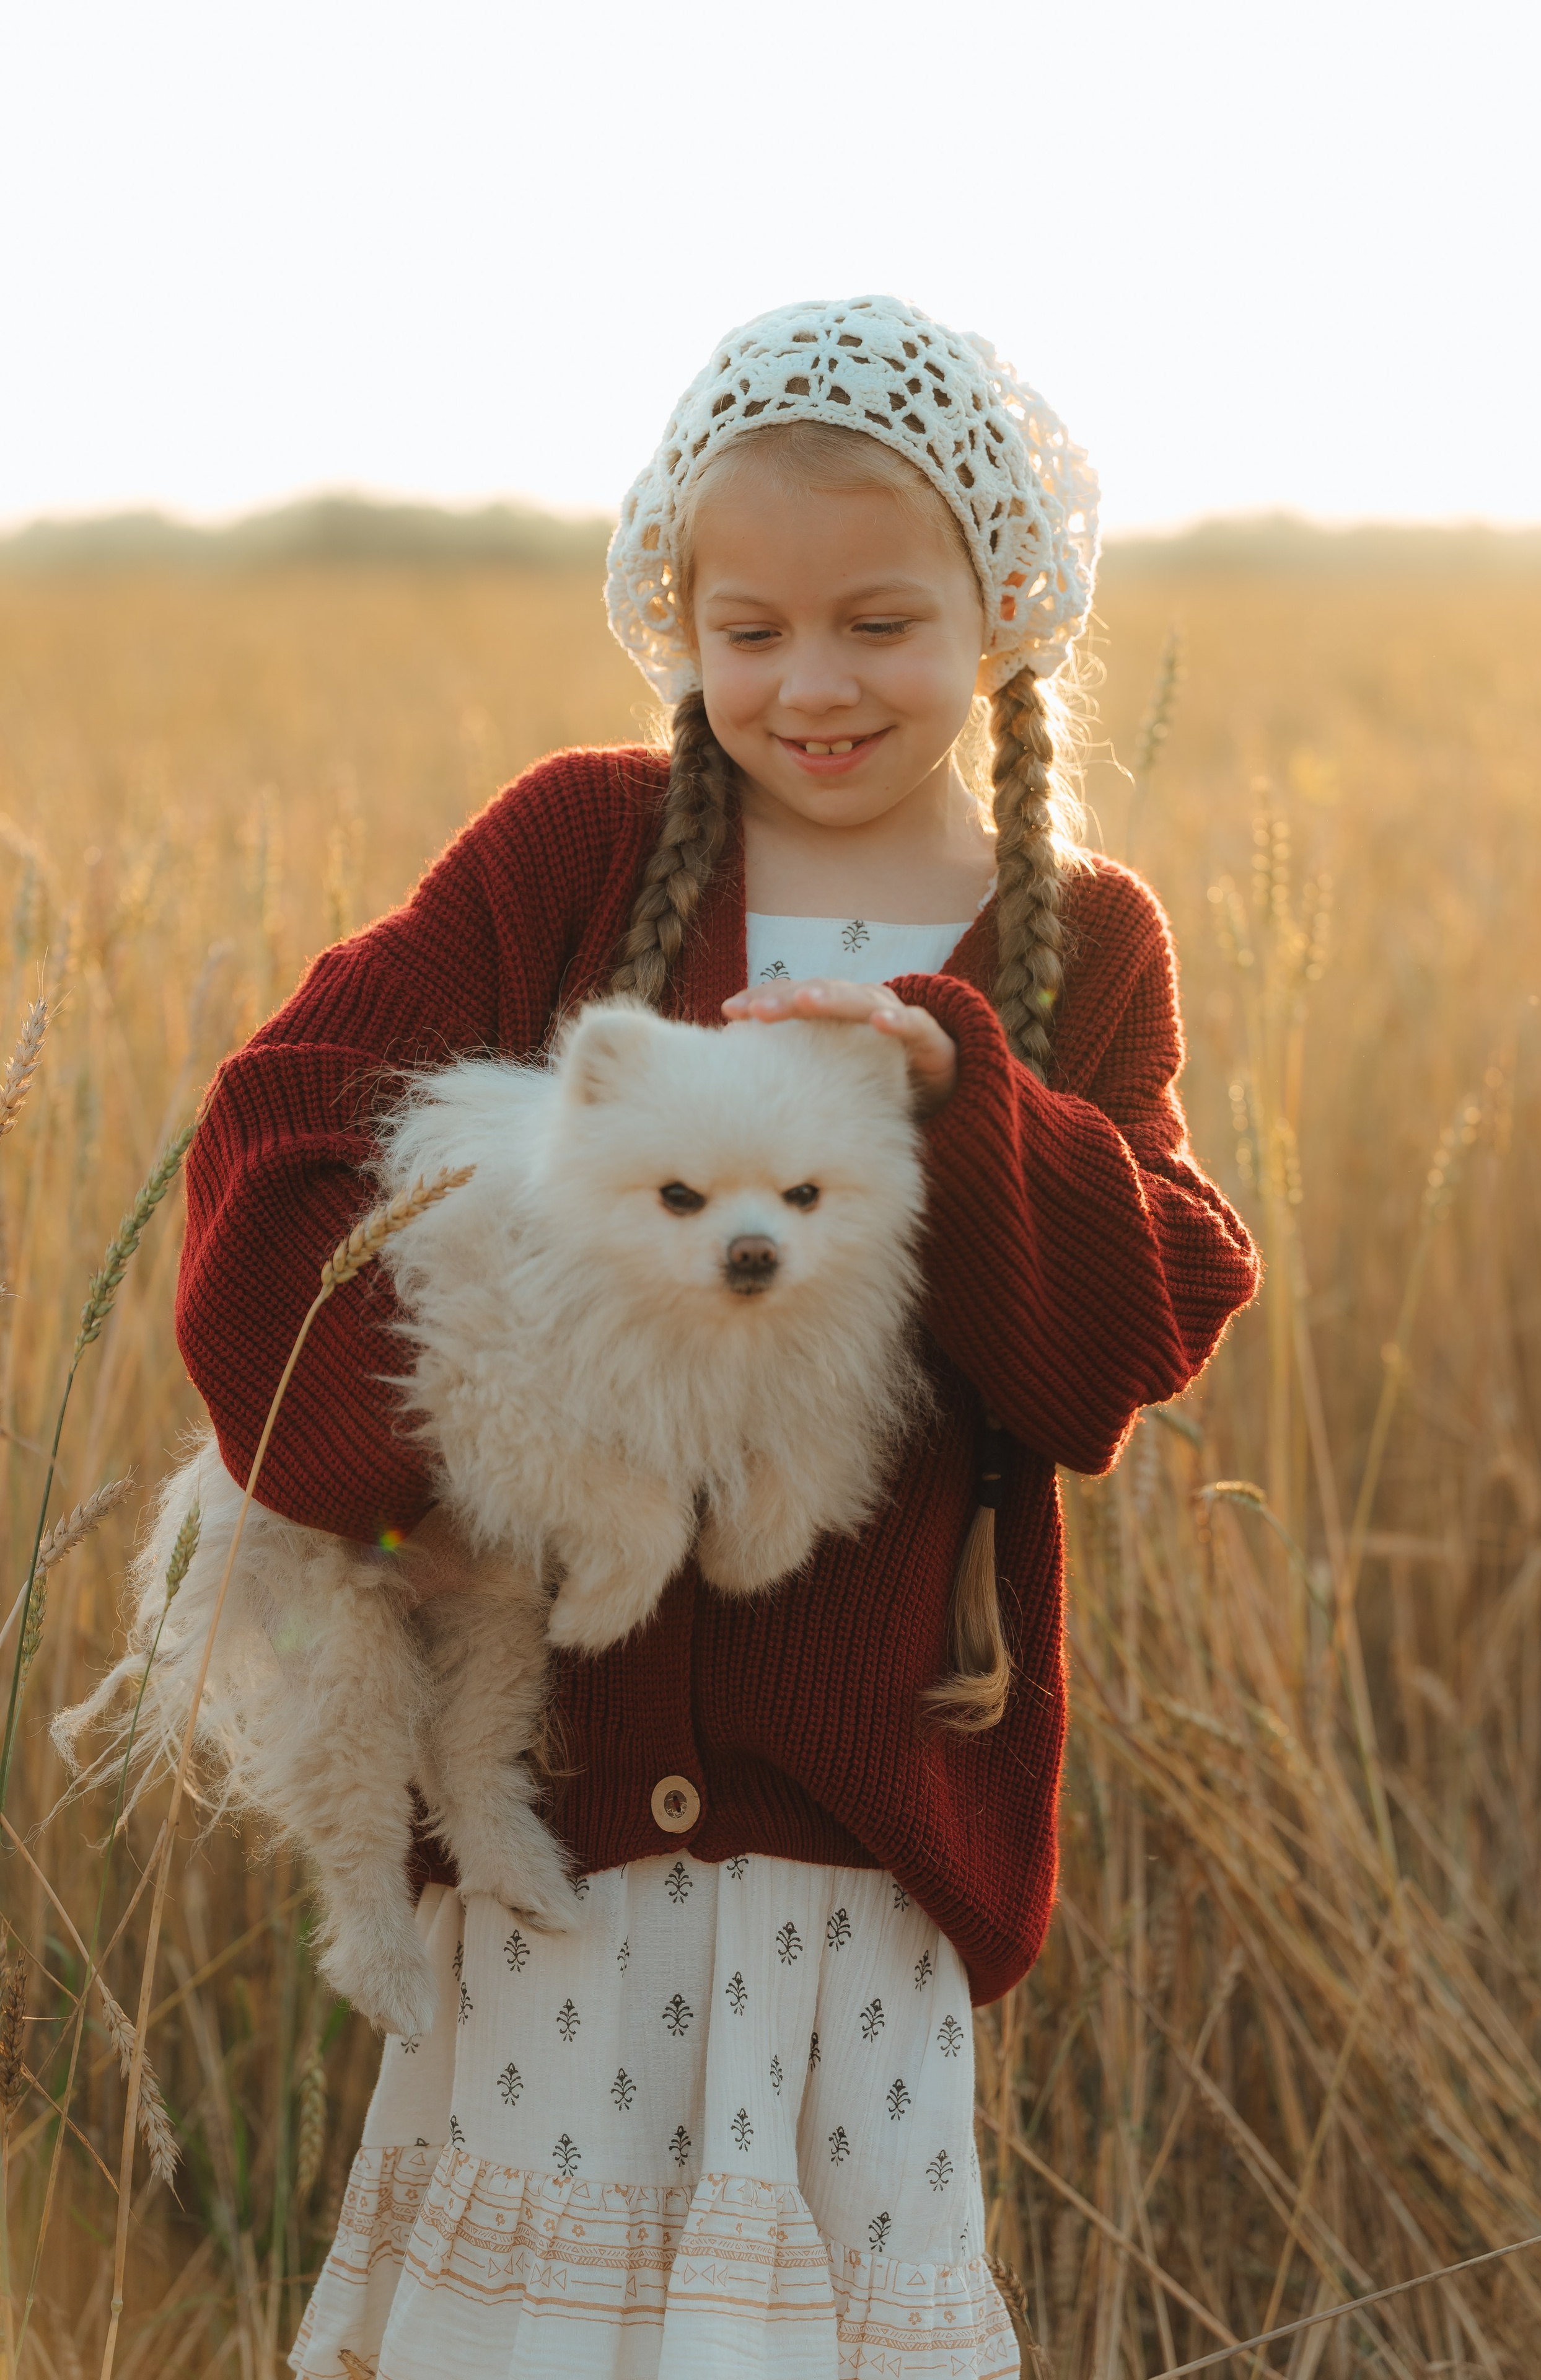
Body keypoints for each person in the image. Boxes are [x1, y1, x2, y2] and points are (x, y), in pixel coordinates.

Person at [177, 294, 1260, 2379]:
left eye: (879, 622)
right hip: (556, 1843)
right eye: (745, 628)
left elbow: (1134, 1326)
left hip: (856, 1849)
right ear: (676, 618)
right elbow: (287, 1127)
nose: (812, 684)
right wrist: (468, 1458)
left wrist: (958, 1095)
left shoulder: (1076, 946)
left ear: (1004, 607)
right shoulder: (578, 853)